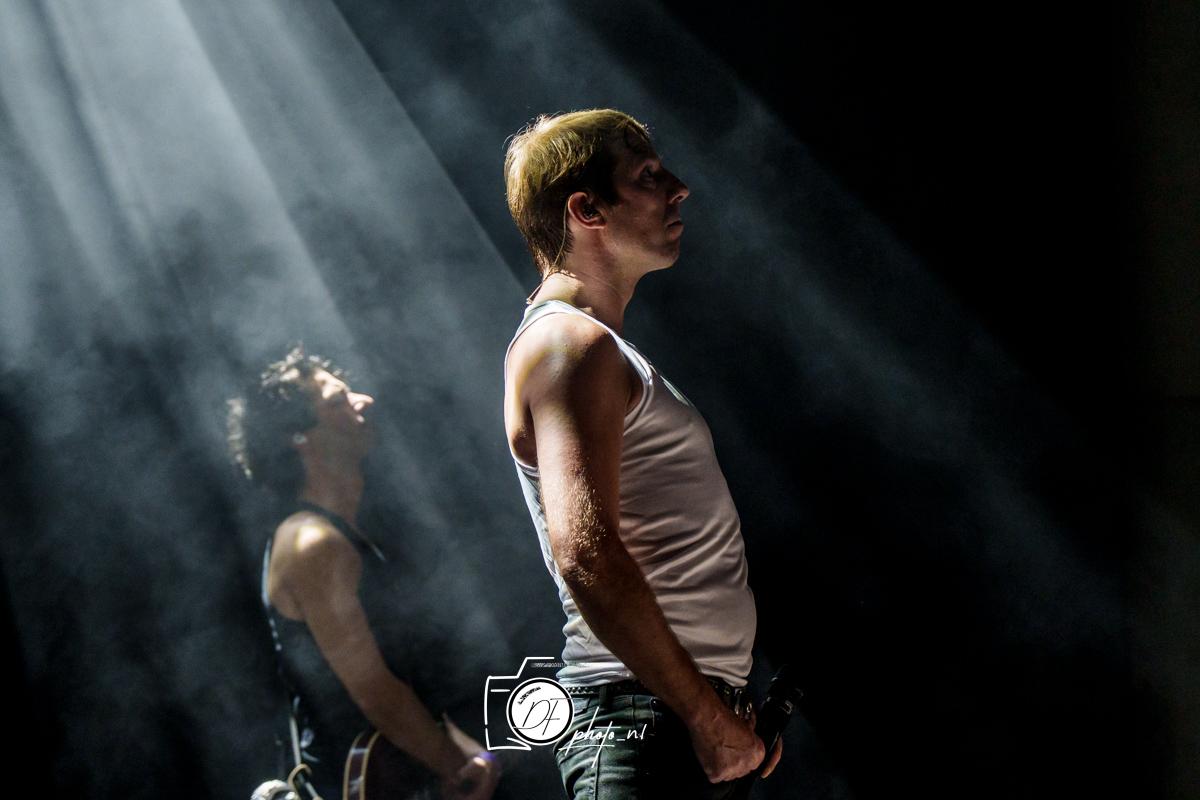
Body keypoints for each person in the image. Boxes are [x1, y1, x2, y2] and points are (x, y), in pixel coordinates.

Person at [501, 110, 782, 798]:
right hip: (639, 720)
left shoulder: (598, 347)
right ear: (586, 210)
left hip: (668, 716)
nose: (679, 187)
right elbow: (586, 554)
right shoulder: (568, 343)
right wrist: (707, 716)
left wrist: (719, 711)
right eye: (648, 175)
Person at [228, 347, 500, 800]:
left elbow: (398, 674)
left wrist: (458, 745)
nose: (365, 400)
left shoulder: (340, 534)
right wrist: (456, 767)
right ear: (299, 437)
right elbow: (374, 691)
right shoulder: (312, 543)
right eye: (338, 401)